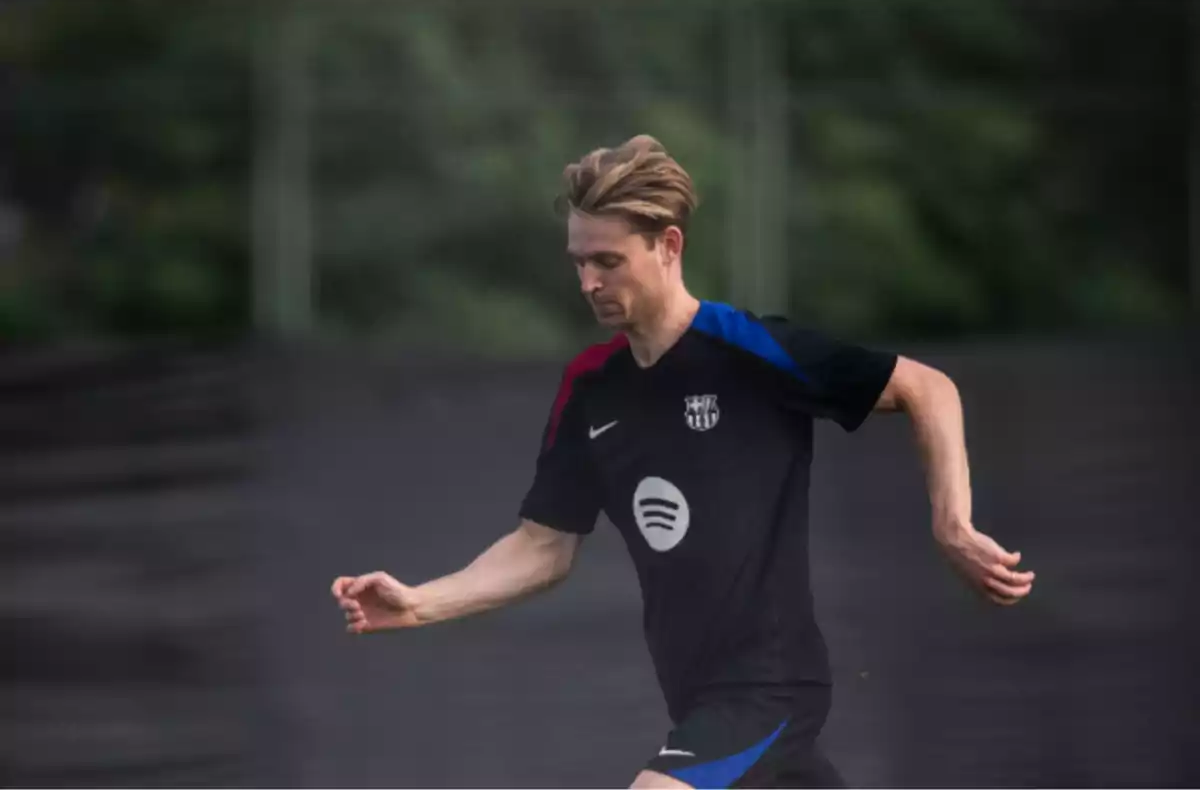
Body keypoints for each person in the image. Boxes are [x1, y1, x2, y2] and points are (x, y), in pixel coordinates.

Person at [330, 135, 1036, 789]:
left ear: (668, 246)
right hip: (696, 696)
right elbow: (542, 549)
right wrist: (421, 603)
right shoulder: (590, 387)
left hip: (770, 690)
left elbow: (925, 386)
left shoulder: (749, 351)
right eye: (579, 261)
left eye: (609, 261)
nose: (589, 282)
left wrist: (952, 523)